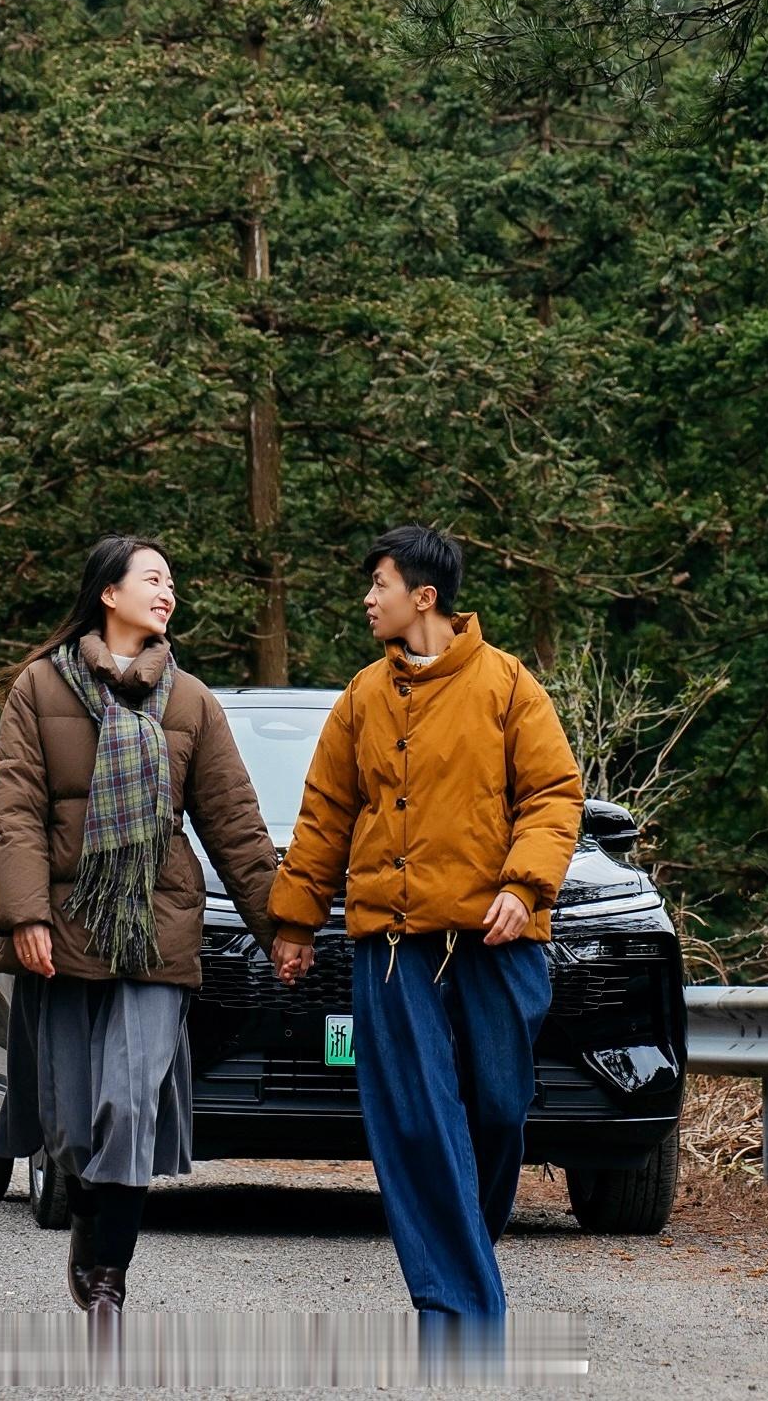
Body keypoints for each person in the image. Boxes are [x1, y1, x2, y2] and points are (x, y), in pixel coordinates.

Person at [269, 523, 582, 1330]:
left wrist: (524, 884)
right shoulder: (361, 699)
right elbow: (325, 817)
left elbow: (553, 796)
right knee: (418, 1119)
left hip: (497, 939)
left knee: (500, 1108)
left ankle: (461, 1252)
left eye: (378, 585)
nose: (367, 600)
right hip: (392, 948)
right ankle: (458, 1311)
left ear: (424, 596)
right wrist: (296, 923)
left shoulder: (508, 686)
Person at [0, 535, 278, 1319]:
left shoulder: (191, 701)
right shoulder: (38, 688)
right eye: (153, 579)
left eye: (172, 583)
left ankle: (110, 1271)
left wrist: (283, 926)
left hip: (157, 928)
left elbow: (236, 826)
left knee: (129, 1101)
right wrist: (25, 916)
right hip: (67, 927)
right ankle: (89, 1220)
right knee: (73, 1126)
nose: (168, 593)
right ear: (107, 593)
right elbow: (12, 813)